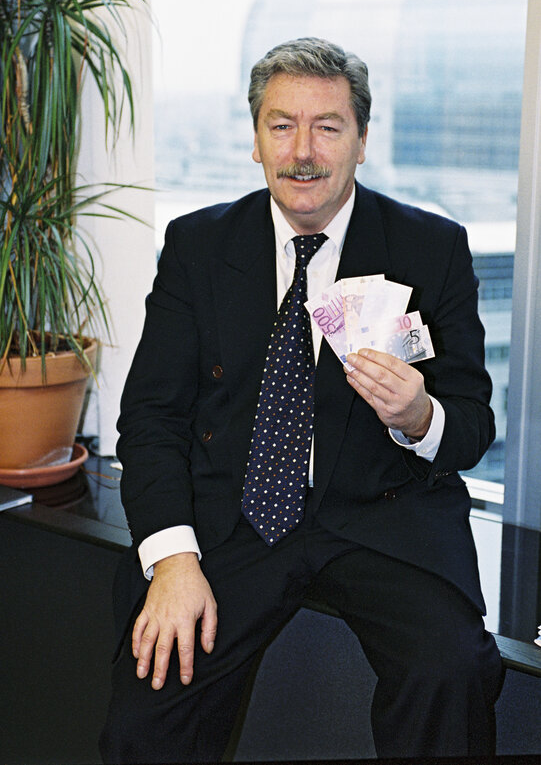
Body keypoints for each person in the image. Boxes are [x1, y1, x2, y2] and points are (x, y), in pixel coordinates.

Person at [100, 37, 503, 763]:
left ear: (362, 140)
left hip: (384, 517)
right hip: (238, 516)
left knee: (452, 670)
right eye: (281, 125)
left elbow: (472, 422)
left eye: (327, 126)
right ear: (255, 140)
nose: (302, 151)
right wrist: (172, 561)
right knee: (149, 699)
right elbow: (152, 417)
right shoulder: (197, 244)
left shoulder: (431, 246)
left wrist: (419, 415)